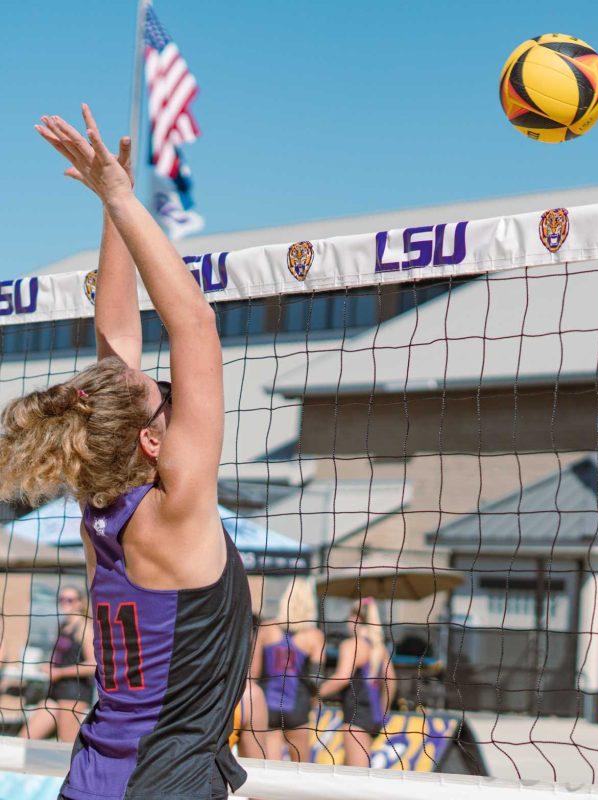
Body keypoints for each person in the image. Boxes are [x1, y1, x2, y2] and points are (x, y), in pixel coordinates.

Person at [3, 107, 254, 800]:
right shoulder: (172, 519)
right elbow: (195, 325)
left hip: (98, 780)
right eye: (164, 396)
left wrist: (113, 204)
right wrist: (118, 197)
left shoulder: (103, 507)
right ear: (152, 442)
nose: (168, 384)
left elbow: (116, 333)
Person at [252, 578, 323, 761]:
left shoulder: (266, 628)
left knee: (269, 770)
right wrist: (314, 702)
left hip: (268, 705)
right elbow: (316, 680)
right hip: (297, 706)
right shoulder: (314, 636)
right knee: (301, 769)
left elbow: (253, 673)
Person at [318, 598, 393, 767]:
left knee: (356, 779)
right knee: (351, 772)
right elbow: (391, 682)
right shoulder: (380, 648)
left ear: (356, 619)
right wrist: (383, 711)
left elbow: (342, 678)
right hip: (374, 718)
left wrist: (315, 693)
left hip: (356, 718)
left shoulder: (352, 645)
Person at [19, 585, 95, 743]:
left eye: (70, 599)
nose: (65, 603)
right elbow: (62, 657)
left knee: (66, 745)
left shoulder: (84, 628)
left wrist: (60, 672)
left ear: (80, 603)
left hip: (74, 693)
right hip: (56, 691)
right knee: (24, 740)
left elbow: (92, 665)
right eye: (61, 599)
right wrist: (49, 667)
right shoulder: (63, 626)